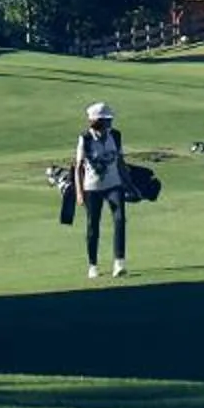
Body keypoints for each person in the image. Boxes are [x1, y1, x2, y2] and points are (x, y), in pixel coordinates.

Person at [75, 101, 130, 279]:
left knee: (120, 219)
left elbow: (120, 161)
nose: (109, 123)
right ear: (95, 121)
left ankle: (119, 262)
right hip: (92, 188)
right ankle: (93, 265)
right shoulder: (85, 139)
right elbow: (78, 167)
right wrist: (79, 192)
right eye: (106, 120)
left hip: (114, 185)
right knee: (93, 226)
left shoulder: (116, 136)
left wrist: (128, 183)